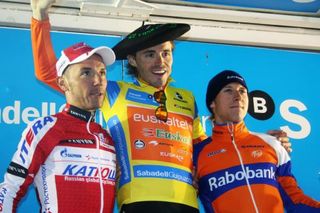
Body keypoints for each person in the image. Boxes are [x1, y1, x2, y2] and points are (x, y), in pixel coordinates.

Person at [30, 1, 291, 212]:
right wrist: (39, 16)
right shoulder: (113, 91)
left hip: (186, 202)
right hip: (138, 201)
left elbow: (204, 147)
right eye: (149, 54)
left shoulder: (187, 98)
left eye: (166, 53)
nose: (160, 61)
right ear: (132, 59)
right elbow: (48, 74)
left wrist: (258, 142)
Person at [0, 42, 117, 212]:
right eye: (86, 73)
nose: (98, 80)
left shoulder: (106, 136)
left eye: (102, 72)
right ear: (63, 84)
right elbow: (10, 189)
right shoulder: (47, 128)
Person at [193, 70, 320, 213]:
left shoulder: (272, 143)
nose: (238, 97)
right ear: (212, 103)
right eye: (228, 90)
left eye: (242, 91)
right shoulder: (197, 154)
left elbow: (295, 200)